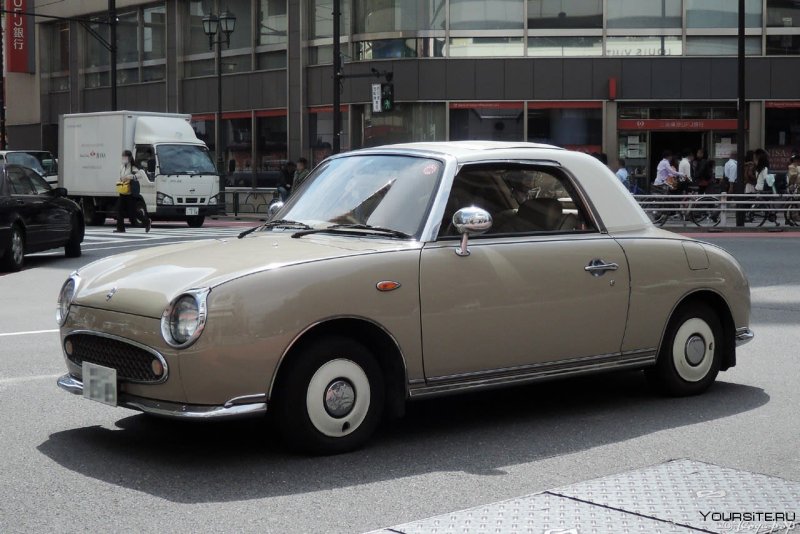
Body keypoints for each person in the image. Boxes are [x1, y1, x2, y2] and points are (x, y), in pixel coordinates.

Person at [115, 150, 151, 233]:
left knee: (133, 211)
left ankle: (146, 221)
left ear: (129, 157)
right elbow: (121, 176)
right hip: (123, 191)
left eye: (125, 157)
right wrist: (121, 179)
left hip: (130, 192)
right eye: (123, 156)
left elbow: (140, 175)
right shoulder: (122, 166)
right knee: (119, 209)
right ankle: (120, 228)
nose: (123, 158)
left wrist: (130, 177)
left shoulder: (133, 167)